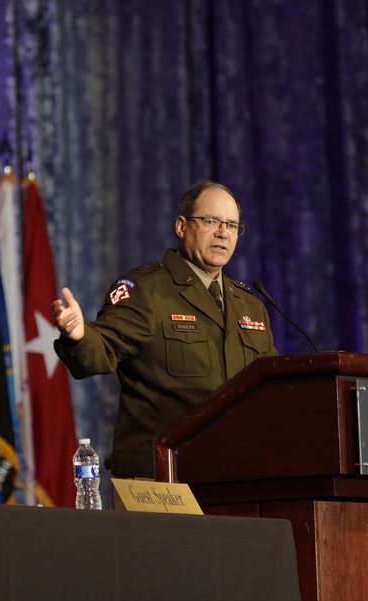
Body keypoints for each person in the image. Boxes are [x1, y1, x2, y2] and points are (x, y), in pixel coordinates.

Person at [52, 180, 278, 479]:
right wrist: (79, 336)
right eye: (211, 221)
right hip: (162, 479)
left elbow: (272, 388)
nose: (223, 233)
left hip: (235, 475)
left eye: (232, 225)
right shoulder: (147, 290)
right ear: (181, 226)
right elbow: (101, 349)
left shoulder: (250, 304)